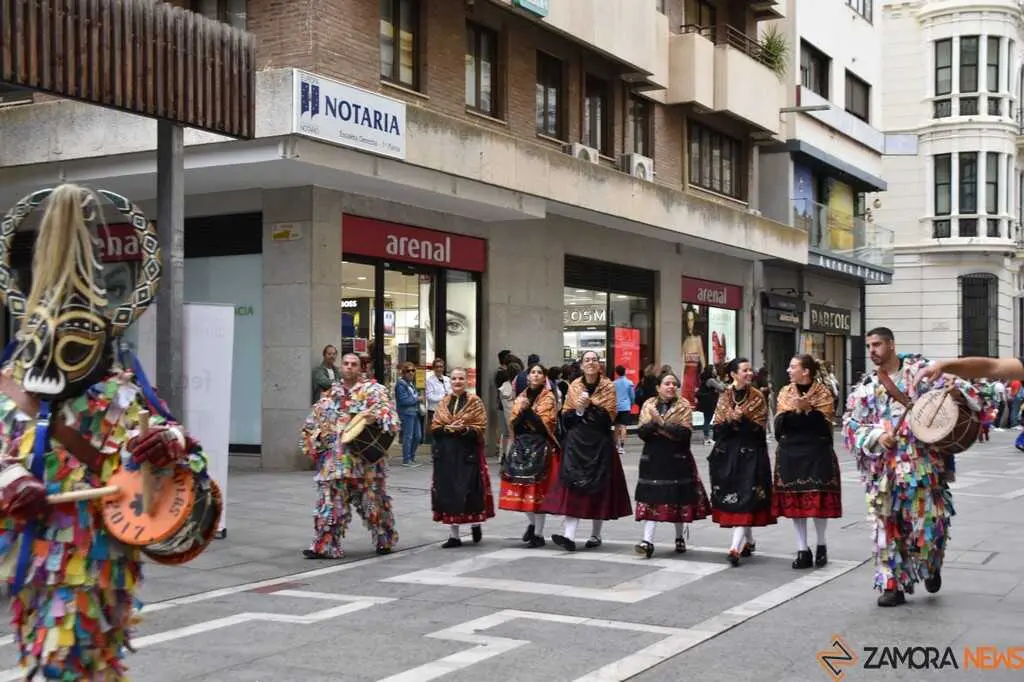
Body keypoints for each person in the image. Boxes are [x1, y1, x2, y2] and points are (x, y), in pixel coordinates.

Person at [0, 184, 217, 679]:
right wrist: (10, 480)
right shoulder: (10, 397)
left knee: (96, 654)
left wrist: (171, 444)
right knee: (56, 656)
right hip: (41, 557)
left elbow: (189, 456)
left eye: (76, 342)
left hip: (105, 555)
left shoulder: (118, 394)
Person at [843, 327, 984, 606]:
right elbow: (851, 425)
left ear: (892, 345)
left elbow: (969, 394)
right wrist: (876, 436)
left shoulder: (920, 372)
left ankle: (931, 564)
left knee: (928, 523)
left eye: (878, 344)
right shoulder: (866, 388)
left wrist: (954, 391)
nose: (872, 350)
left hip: (922, 466)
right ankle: (892, 585)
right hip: (882, 473)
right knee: (885, 527)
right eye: (869, 345)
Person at [300, 352, 399, 559]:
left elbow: (390, 416)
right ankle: (324, 545)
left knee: (373, 503)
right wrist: (314, 442)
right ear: (341, 367)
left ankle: (384, 539)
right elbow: (313, 422)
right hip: (336, 463)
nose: (349, 367)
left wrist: (375, 417)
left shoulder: (374, 391)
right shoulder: (329, 395)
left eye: (354, 364)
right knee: (330, 503)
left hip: (366, 463)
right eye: (346, 364)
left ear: (360, 367)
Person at [542, 350, 633, 551]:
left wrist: (590, 404)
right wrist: (579, 410)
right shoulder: (575, 386)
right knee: (572, 487)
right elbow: (566, 418)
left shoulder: (607, 386)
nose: (591, 363)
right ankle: (569, 536)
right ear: (581, 365)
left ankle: (595, 535)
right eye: (587, 360)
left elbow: (608, 418)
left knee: (599, 488)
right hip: (577, 442)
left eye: (594, 360)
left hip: (599, 442)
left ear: (599, 365)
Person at [771, 355, 843, 570]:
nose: (788, 370)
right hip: (791, 452)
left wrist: (808, 410)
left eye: (793, 367)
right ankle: (802, 548)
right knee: (797, 503)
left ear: (806, 371)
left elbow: (825, 426)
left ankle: (821, 544)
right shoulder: (785, 393)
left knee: (818, 501)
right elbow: (780, 425)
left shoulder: (823, 393)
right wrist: (796, 411)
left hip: (816, 452)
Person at [633, 371, 710, 558]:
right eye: (667, 383)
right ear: (658, 387)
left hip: (676, 459)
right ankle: (647, 541)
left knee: (677, 499)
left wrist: (659, 423)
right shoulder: (649, 404)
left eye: (674, 384)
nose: (671, 387)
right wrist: (657, 425)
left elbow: (684, 434)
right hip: (653, 458)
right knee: (651, 499)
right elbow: (642, 432)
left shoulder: (683, 405)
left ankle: (679, 538)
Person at [708, 357, 776, 566]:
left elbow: (759, 429)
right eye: (744, 370)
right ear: (733, 374)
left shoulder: (757, 397)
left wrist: (743, 419)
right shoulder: (724, 397)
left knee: (746, 496)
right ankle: (749, 540)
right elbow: (717, 429)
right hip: (728, 454)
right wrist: (730, 420)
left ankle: (734, 548)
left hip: (751, 454)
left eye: (750, 370)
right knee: (736, 497)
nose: (749, 374)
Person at [430, 368, 495, 547]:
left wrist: (464, 429)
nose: (457, 382)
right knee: (449, 493)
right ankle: (454, 536)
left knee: (470, 492)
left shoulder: (475, 402)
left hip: (468, 454)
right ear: (450, 381)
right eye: (454, 379)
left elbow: (480, 427)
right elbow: (435, 427)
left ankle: (475, 523)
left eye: (460, 379)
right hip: (447, 454)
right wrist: (448, 428)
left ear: (466, 381)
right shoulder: (444, 402)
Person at [499, 363, 562, 548]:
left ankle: (538, 534)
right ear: (528, 377)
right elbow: (515, 425)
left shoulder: (548, 398)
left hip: (540, 446)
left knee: (538, 492)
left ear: (544, 378)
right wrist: (523, 414)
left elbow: (544, 426)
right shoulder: (521, 397)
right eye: (532, 372)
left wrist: (527, 412)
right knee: (518, 488)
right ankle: (533, 524)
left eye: (539, 373)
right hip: (521, 446)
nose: (535, 375)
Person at [394, 362, 423, 467]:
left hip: (414, 412)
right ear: (403, 373)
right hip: (406, 414)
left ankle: (411, 457)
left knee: (418, 436)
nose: (411, 373)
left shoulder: (411, 384)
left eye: (413, 370)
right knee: (408, 436)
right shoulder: (400, 384)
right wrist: (417, 399)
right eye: (408, 371)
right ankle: (406, 459)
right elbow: (404, 401)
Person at [424, 358, 451, 445]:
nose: (439, 369)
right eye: (437, 367)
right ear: (434, 368)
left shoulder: (447, 379)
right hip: (434, 411)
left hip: (446, 411)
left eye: (441, 367)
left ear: (443, 368)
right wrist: (443, 397)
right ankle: (436, 455)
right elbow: (429, 396)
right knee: (435, 434)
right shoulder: (430, 381)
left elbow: (452, 392)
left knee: (446, 433)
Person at [613, 365, 636, 456]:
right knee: (623, 427)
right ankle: (622, 447)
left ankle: (615, 445)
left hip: (616, 407)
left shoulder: (613, 383)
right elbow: (632, 396)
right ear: (625, 372)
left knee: (616, 427)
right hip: (625, 406)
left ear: (616, 373)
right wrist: (632, 403)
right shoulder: (629, 383)